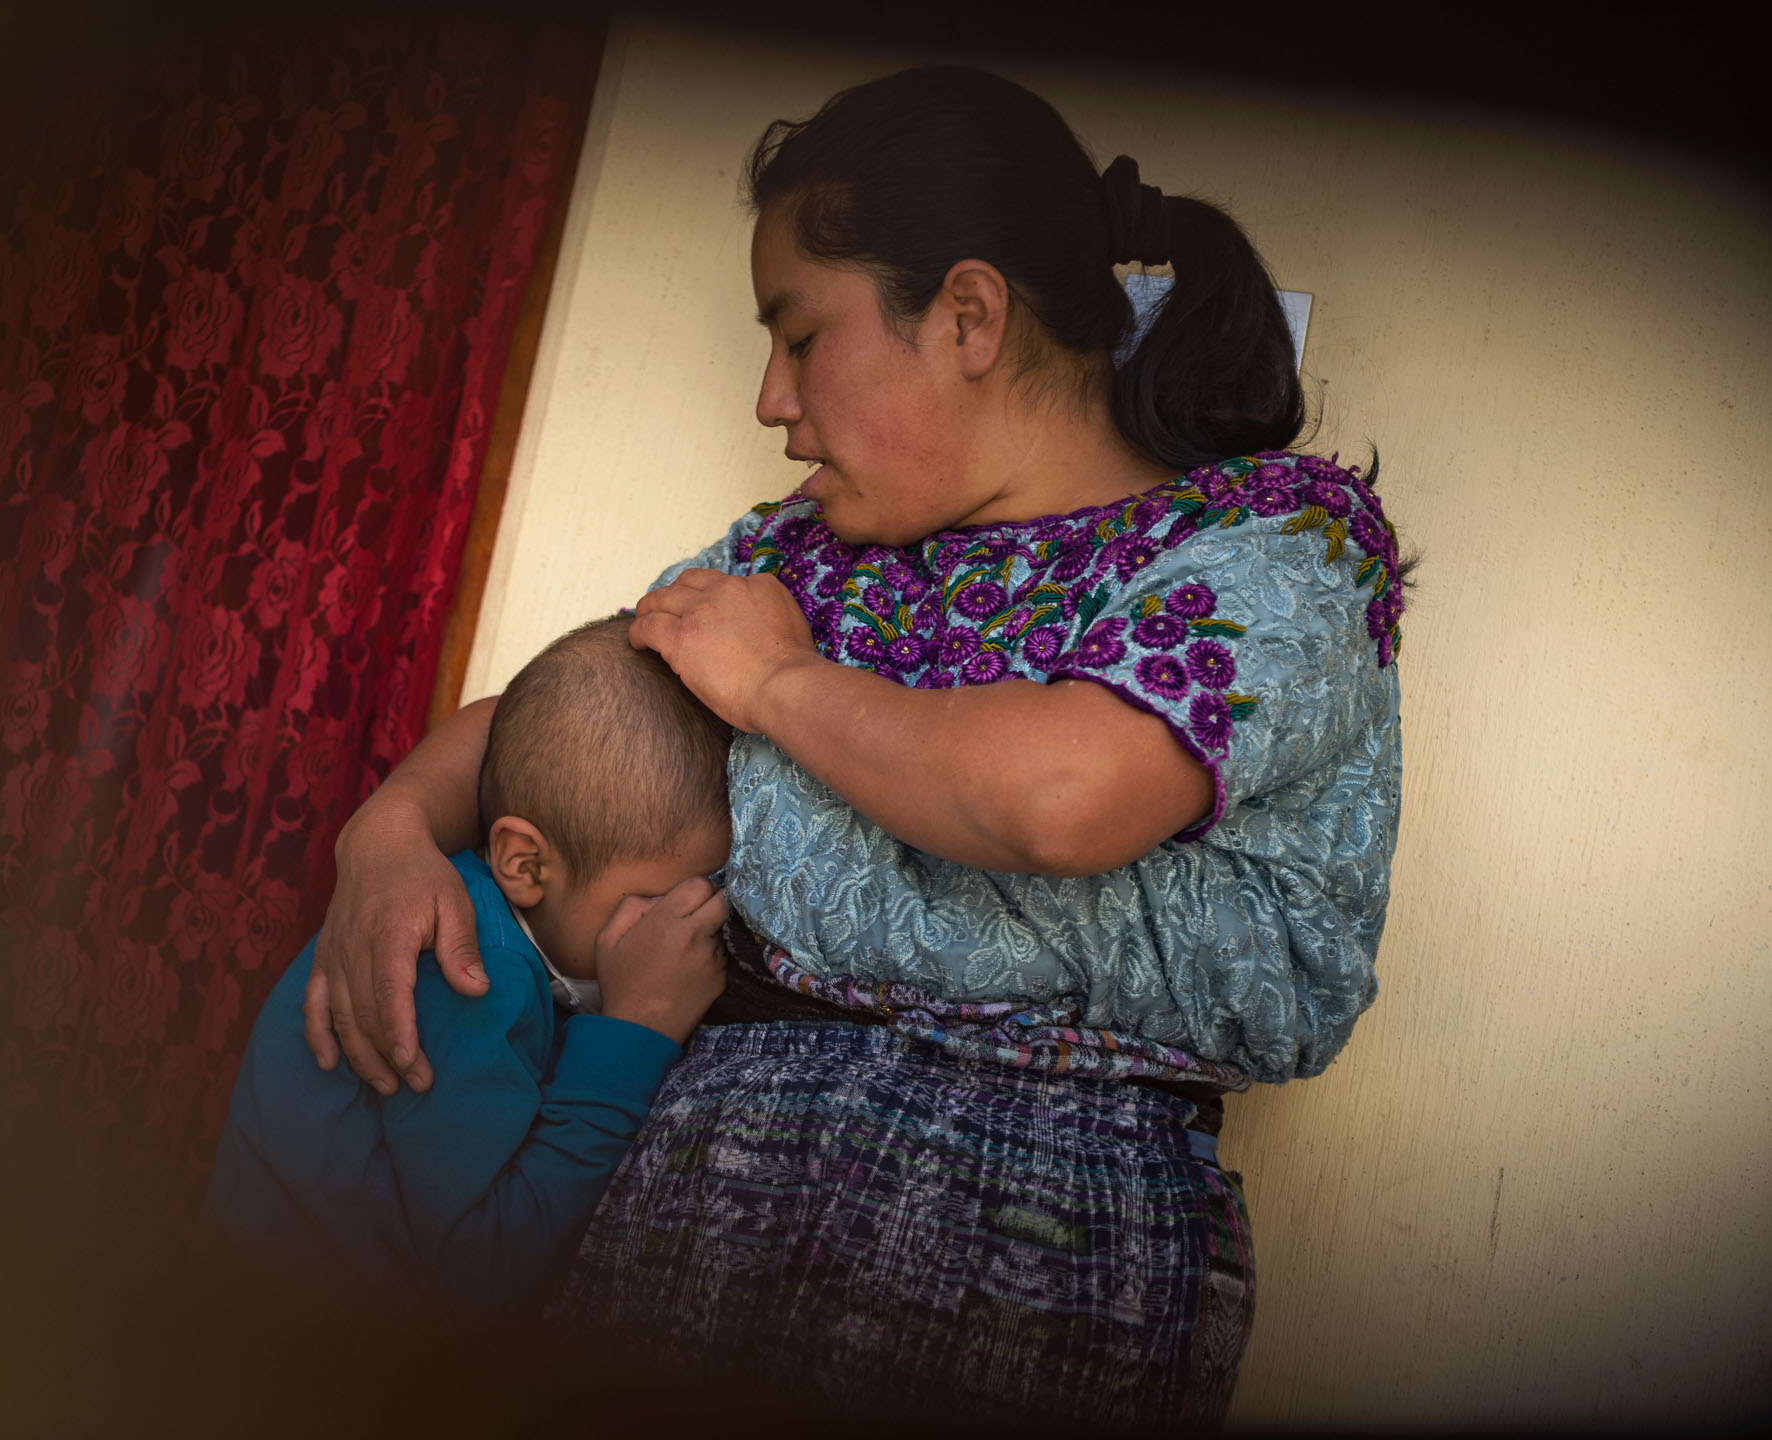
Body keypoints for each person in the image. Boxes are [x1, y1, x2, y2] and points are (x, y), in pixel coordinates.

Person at [301, 66, 1406, 1427]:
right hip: (683, 1219)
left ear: (968, 316)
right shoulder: (803, 554)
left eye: (799, 334)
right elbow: (568, 722)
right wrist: (391, 830)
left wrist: (775, 683)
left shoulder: (1266, 549)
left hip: (1041, 1249)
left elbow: (1062, 794)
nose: (772, 400)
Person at [200, 616, 731, 1315]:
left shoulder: (515, 926)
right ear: (524, 863)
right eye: (655, 899)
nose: (681, 925)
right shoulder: (469, 974)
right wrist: (637, 1031)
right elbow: (481, 1270)